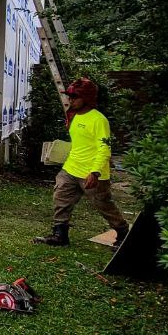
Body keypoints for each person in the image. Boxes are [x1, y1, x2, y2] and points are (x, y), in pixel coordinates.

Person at [34, 77, 129, 248]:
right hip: (71, 168)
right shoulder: (74, 116)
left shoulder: (98, 120)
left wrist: (95, 172)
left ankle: (123, 232)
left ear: (86, 98)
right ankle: (60, 235)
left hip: (92, 172)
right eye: (69, 96)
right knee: (61, 197)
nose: (71, 100)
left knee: (103, 204)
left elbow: (104, 148)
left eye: (75, 97)